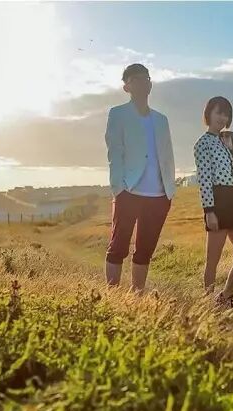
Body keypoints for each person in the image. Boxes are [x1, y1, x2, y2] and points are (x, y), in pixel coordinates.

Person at [104, 63, 176, 292]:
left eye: (146, 78)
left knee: (145, 251)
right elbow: (114, 152)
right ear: (126, 87)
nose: (143, 82)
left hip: (159, 195)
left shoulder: (161, 119)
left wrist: (169, 191)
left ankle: (137, 298)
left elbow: (168, 156)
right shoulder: (118, 114)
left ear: (150, 84)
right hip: (129, 191)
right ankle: (112, 298)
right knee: (118, 247)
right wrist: (118, 188)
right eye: (136, 79)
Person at [193, 96, 233, 309]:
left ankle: (225, 296)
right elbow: (204, 179)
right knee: (213, 260)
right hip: (218, 203)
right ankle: (206, 307)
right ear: (209, 114)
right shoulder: (202, 143)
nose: (222, 117)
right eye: (218, 112)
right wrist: (209, 210)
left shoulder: (227, 141)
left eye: (226, 114)